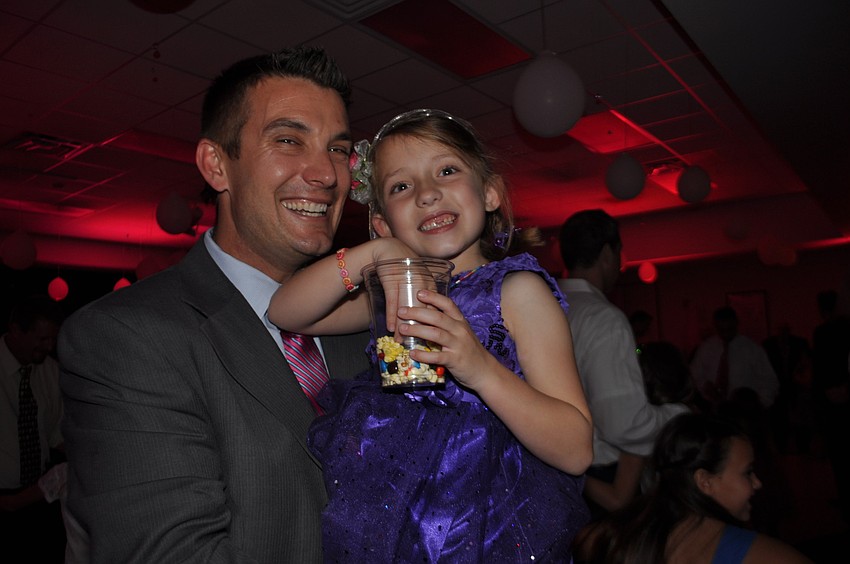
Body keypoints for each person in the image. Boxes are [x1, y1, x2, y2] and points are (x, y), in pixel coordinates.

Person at [58, 46, 371, 563]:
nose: (326, 173)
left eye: (338, 149)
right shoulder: (126, 336)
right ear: (216, 165)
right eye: (289, 140)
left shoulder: (364, 325)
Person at [270, 108, 593, 562]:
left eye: (446, 170)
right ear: (383, 221)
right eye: (401, 186)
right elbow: (285, 310)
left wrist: (480, 369)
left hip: (488, 531)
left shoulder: (517, 292)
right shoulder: (395, 296)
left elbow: (577, 449)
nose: (427, 194)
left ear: (490, 192)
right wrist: (379, 255)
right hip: (395, 528)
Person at [557, 209, 687, 518]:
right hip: (601, 474)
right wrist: (680, 413)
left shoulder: (549, 306)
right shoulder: (604, 319)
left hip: (557, 468)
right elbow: (623, 424)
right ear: (606, 252)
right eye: (619, 253)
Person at [575, 412, 814, 563]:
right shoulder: (756, 553)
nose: (757, 482)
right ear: (705, 481)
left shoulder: (612, 537)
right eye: (748, 472)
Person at [583, 340, 695, 513]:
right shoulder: (685, 413)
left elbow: (617, 499)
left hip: (666, 518)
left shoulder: (645, 425)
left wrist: (573, 477)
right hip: (689, 511)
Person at [1, 295, 66, 562]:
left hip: (37, 495)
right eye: (42, 339)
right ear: (16, 330)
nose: (49, 347)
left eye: (53, 339)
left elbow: (56, 435)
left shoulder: (51, 371)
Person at [690, 306, 779, 412]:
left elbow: (769, 381)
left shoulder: (752, 349)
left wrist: (760, 405)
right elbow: (694, 374)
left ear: (736, 324)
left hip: (745, 410)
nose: (726, 333)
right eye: (721, 330)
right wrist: (705, 385)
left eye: (729, 329)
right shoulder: (706, 348)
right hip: (714, 408)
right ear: (715, 326)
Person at [811, 290, 850, 519]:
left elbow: (820, 369)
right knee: (839, 452)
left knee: (840, 454)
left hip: (831, 400)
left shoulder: (824, 332)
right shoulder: (827, 331)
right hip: (833, 399)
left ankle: (845, 498)